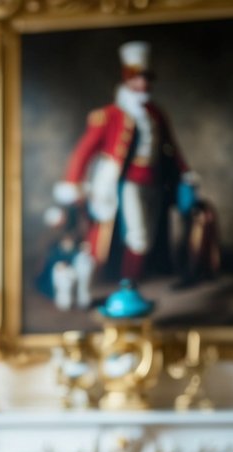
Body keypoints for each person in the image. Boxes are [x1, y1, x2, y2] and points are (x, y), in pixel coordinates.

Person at [51, 40, 198, 292]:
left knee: (150, 236)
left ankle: (136, 280)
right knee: (137, 236)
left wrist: (185, 173)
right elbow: (83, 151)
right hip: (125, 182)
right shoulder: (110, 115)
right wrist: (72, 182)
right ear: (127, 79)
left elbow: (171, 149)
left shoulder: (156, 114)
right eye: (136, 77)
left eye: (146, 78)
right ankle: (128, 284)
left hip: (154, 181)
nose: (142, 83)